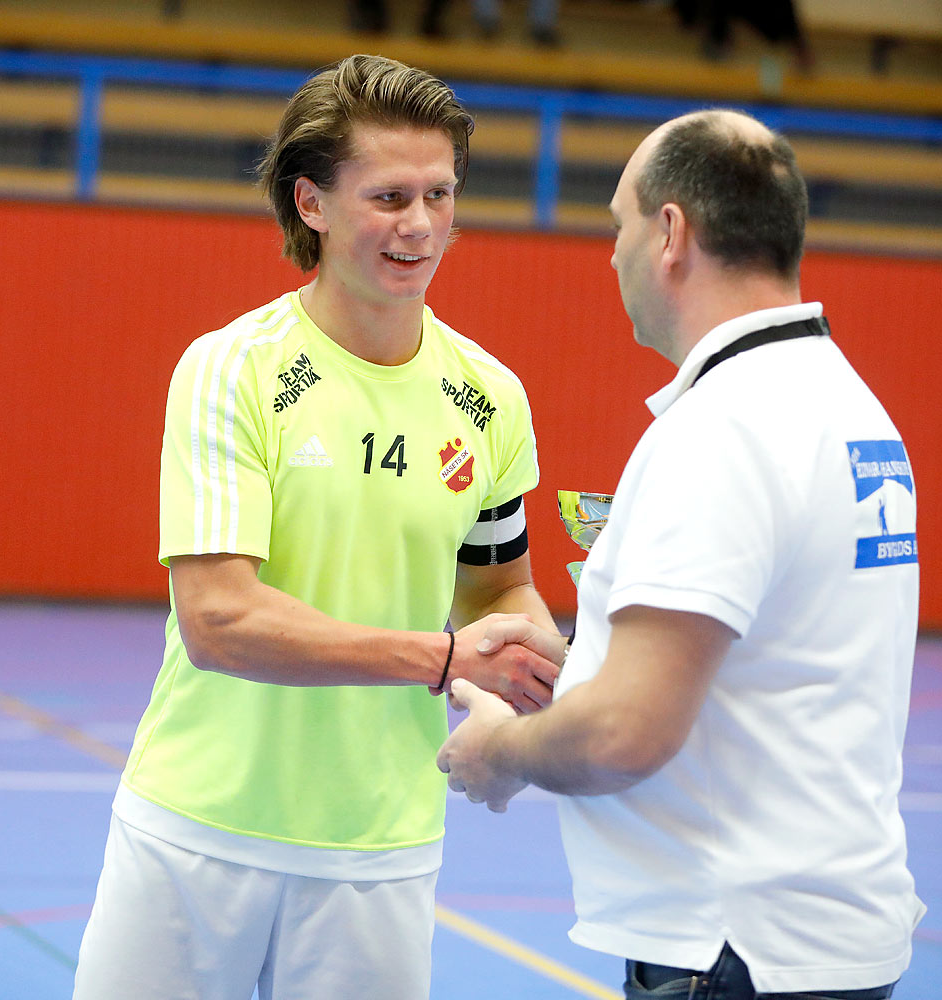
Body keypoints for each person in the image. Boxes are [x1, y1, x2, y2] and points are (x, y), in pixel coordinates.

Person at [72, 54, 562, 1000]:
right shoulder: (231, 371)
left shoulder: (491, 398)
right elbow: (220, 622)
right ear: (312, 206)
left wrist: (524, 680)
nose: (419, 225)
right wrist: (446, 660)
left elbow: (500, 588)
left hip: (380, 848)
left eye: (439, 194)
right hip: (196, 832)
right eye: (387, 196)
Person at [438, 109, 924, 999]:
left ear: (670, 234)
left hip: (733, 947)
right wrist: (591, 663)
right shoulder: (847, 404)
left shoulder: (726, 428)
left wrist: (499, 753)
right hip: (815, 936)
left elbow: (628, 733)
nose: (611, 254)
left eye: (618, 224)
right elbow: (758, 659)